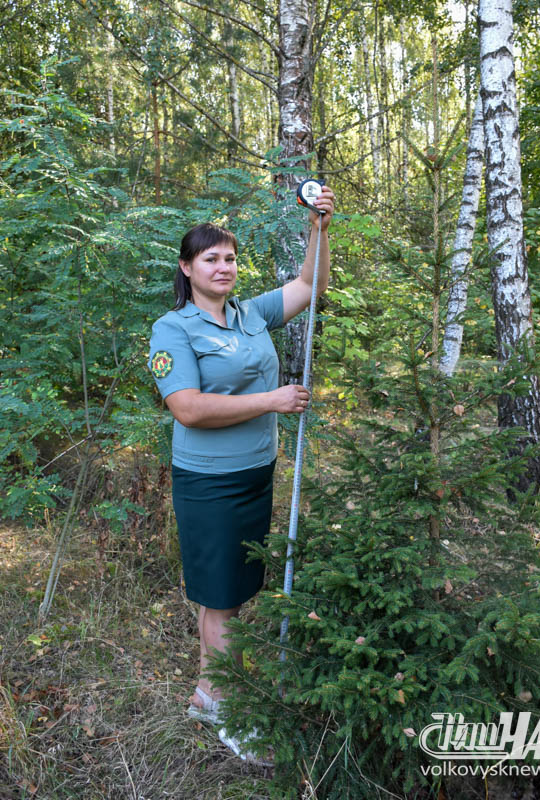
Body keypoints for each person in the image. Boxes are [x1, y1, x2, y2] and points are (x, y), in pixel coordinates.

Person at [148, 186, 335, 764]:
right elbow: (188, 408)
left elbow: (310, 287)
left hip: (256, 471)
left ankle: (206, 691)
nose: (224, 267)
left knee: (228, 588)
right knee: (221, 593)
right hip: (209, 481)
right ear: (187, 268)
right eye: (211, 259)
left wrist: (318, 227)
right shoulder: (172, 330)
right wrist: (271, 401)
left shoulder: (250, 313)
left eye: (229, 258)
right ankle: (230, 712)